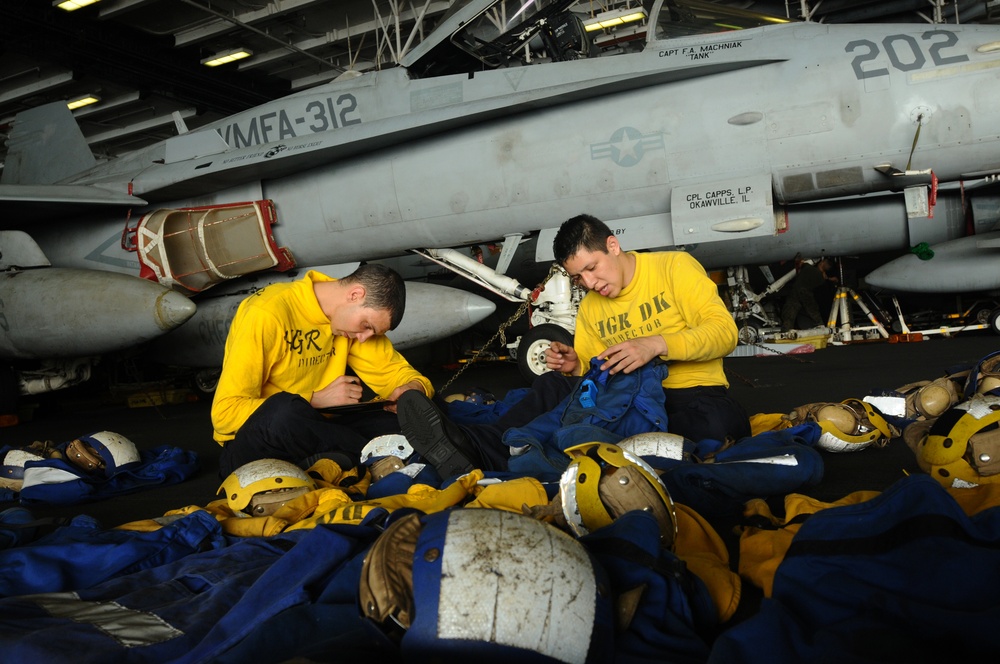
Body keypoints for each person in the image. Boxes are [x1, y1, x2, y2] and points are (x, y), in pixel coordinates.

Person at [397, 214, 751, 478]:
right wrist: (573, 364)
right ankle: (474, 445)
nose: (591, 283)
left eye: (593, 269)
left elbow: (724, 333)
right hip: (615, 399)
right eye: (579, 277)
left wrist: (655, 344)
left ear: (613, 246)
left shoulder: (674, 267)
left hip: (688, 393)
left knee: (714, 431)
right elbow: (590, 367)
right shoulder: (594, 305)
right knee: (552, 385)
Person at [212, 264, 433, 477]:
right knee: (283, 412)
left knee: (411, 406)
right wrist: (314, 400)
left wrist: (412, 389)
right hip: (258, 443)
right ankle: (373, 457)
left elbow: (395, 373)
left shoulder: (350, 327)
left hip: (322, 430)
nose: (364, 337)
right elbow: (225, 414)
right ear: (355, 295)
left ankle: (345, 459)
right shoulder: (266, 313)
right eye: (366, 326)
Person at [780, 255, 837, 331]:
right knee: (812, 310)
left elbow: (799, 263)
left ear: (823, 263)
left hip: (797, 291)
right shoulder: (821, 279)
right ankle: (820, 326)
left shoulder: (809, 269)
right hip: (804, 292)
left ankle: (786, 330)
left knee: (790, 312)